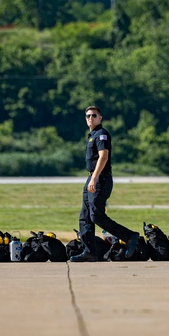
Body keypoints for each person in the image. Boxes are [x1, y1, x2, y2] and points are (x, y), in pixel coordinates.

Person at [69, 105, 140, 262]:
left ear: (100, 118)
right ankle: (89, 252)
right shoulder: (92, 135)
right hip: (92, 177)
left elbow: (104, 157)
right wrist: (91, 178)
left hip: (100, 179)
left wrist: (94, 178)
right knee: (85, 217)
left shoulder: (102, 134)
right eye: (88, 116)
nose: (90, 118)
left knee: (96, 215)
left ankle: (130, 236)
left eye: (94, 115)